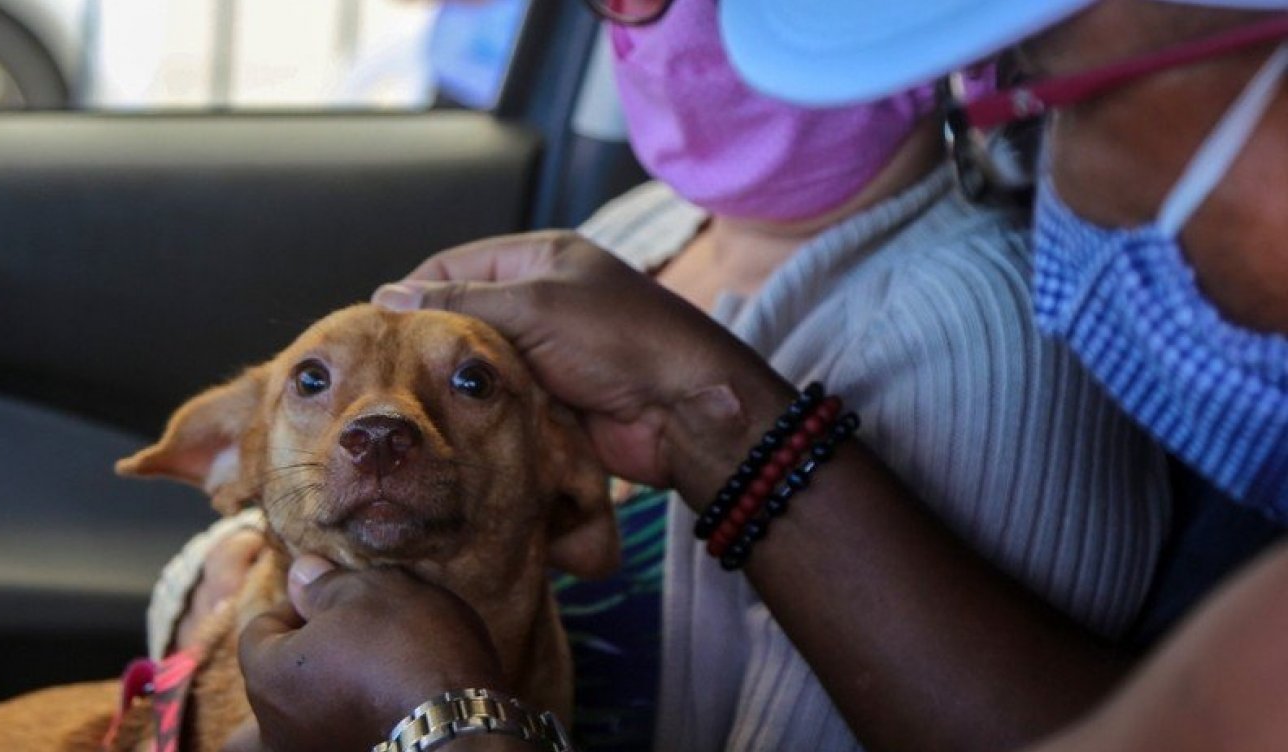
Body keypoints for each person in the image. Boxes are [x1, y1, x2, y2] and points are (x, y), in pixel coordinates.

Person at [236, 0, 1288, 751]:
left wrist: (441, 724)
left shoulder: (962, 325)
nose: (1045, 171)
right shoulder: (625, 244)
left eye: (1051, 92)